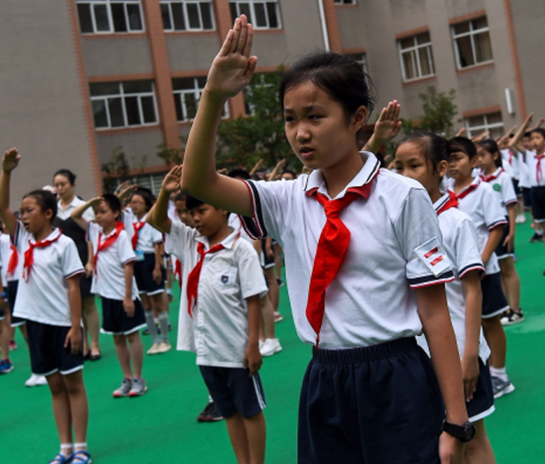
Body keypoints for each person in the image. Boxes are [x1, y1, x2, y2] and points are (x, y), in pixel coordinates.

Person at [180, 15, 472, 463]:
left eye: (315, 116)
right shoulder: (288, 199)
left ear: (357, 118)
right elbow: (198, 180)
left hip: (397, 377)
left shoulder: (402, 196)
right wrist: (215, 95)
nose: (301, 132)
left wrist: (456, 421)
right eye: (290, 119)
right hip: (325, 378)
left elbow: (434, 312)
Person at [147, 166, 268, 464]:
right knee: (228, 412)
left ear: (223, 209)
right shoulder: (192, 243)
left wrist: (253, 344)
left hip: (237, 350)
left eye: (201, 210)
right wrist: (164, 192)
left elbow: (253, 300)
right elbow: (155, 219)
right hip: (207, 351)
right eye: (191, 213)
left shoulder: (240, 250)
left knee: (250, 411)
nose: (195, 219)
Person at [395, 131, 497, 464]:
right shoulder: (401, 221)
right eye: (399, 167)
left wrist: (469, 354)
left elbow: (472, 289)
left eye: (414, 166)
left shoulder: (456, 221)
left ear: (440, 169)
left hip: (460, 349)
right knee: (437, 441)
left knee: (472, 438)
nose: (405, 175)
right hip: (421, 354)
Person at [0, 148, 91, 464]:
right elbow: (2, 207)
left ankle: (81, 447)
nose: (22, 215)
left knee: (73, 385)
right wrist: (7, 172)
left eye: (29, 210)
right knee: (54, 387)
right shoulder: (22, 239)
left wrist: (75, 327)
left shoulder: (64, 243)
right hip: (36, 326)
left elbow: (73, 286)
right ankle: (64, 448)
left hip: (64, 325)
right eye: (21, 211)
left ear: (48, 214)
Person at [447, 137, 514, 399]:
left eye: (459, 158)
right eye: (449, 158)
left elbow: (496, 227)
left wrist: (482, 261)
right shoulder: (447, 189)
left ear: (474, 162)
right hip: (457, 274)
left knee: (490, 321)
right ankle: (477, 368)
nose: (453, 164)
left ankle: (500, 375)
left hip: (483, 269)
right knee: (468, 321)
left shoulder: (484, 190)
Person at [71, 194, 148, 397]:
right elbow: (74, 214)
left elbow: (128, 266)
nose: (98, 216)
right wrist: (90, 202)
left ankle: (139, 379)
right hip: (106, 296)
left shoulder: (121, 235)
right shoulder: (95, 231)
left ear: (116, 213)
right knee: (118, 339)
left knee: (132, 336)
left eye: (103, 212)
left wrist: (128, 297)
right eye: (96, 212)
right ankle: (127, 378)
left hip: (123, 295)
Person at [54, 169, 101, 361]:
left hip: (82, 257)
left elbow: (91, 235)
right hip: (62, 260)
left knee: (88, 303)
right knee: (75, 305)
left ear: (72, 185)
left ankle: (95, 345)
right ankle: (84, 345)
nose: (59, 188)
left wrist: (90, 261)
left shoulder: (82, 206)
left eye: (63, 184)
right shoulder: (53, 208)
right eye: (56, 185)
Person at [477, 140, 522, 324]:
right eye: (477, 155)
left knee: (508, 268)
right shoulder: (479, 177)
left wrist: (511, 232)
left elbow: (511, 207)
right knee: (498, 269)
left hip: (501, 227)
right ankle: (504, 309)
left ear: (495, 156)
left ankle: (516, 309)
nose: (479, 159)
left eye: (482, 155)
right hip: (488, 229)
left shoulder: (503, 178)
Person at [128, 188, 170, 355]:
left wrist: (158, 267)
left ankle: (165, 340)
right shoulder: (130, 221)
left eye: (138, 202)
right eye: (132, 202)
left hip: (151, 260)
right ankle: (155, 341)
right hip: (136, 262)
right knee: (145, 303)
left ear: (146, 204)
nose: (134, 205)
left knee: (157, 302)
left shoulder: (152, 219)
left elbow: (157, 244)